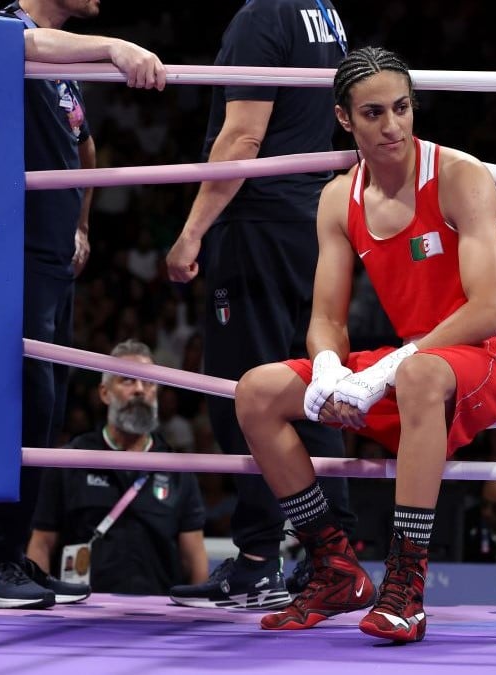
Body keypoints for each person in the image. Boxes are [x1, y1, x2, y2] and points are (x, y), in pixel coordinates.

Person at [232, 46, 496, 643]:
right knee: (257, 392)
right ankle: (334, 566)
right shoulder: (337, 198)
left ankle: (407, 587)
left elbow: (486, 309)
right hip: (421, 362)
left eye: (402, 108)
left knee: (420, 373)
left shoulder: (460, 176)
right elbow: (326, 316)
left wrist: (388, 371)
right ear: (345, 119)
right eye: (374, 113)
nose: (393, 125)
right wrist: (327, 370)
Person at [0, 0, 168, 610]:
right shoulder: (6, 29)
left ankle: (10, 553)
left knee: (45, 412)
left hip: (54, 257)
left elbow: (85, 142)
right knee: (20, 402)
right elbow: (14, 49)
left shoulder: (65, 59)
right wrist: (115, 46)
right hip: (10, 249)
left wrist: (81, 224)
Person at [164, 0, 355, 611]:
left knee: (247, 394)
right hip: (309, 219)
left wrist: (192, 230)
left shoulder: (263, 15)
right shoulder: (323, 13)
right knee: (307, 386)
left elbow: (244, 134)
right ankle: (329, 555)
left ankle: (261, 560)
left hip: (259, 223)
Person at [26, 340, 208, 595]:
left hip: (158, 616)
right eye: (128, 380)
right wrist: (40, 608)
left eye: (148, 382)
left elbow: (194, 560)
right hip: (80, 616)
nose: (140, 390)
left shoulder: (177, 469)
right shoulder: (70, 460)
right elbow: (42, 545)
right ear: (104, 393)